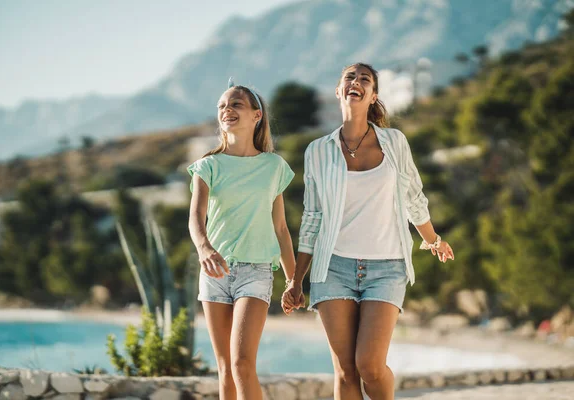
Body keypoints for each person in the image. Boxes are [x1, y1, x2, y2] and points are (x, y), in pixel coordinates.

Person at [283, 63, 454, 400]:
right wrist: (296, 279)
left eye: (365, 80)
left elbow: (412, 197)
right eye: (349, 77)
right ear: (338, 91)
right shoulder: (317, 150)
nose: (356, 82)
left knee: (370, 367)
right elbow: (312, 217)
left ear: (373, 95)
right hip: (332, 269)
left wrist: (431, 239)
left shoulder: (395, 142)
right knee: (346, 372)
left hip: (386, 267)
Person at [188, 79, 296, 400]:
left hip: (256, 272)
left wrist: (293, 280)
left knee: (242, 363)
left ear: (256, 115)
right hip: (214, 274)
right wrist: (204, 248)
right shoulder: (208, 166)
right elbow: (196, 217)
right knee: (225, 370)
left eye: (235, 104)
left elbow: (280, 229)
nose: (227, 109)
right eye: (222, 105)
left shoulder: (274, 166)